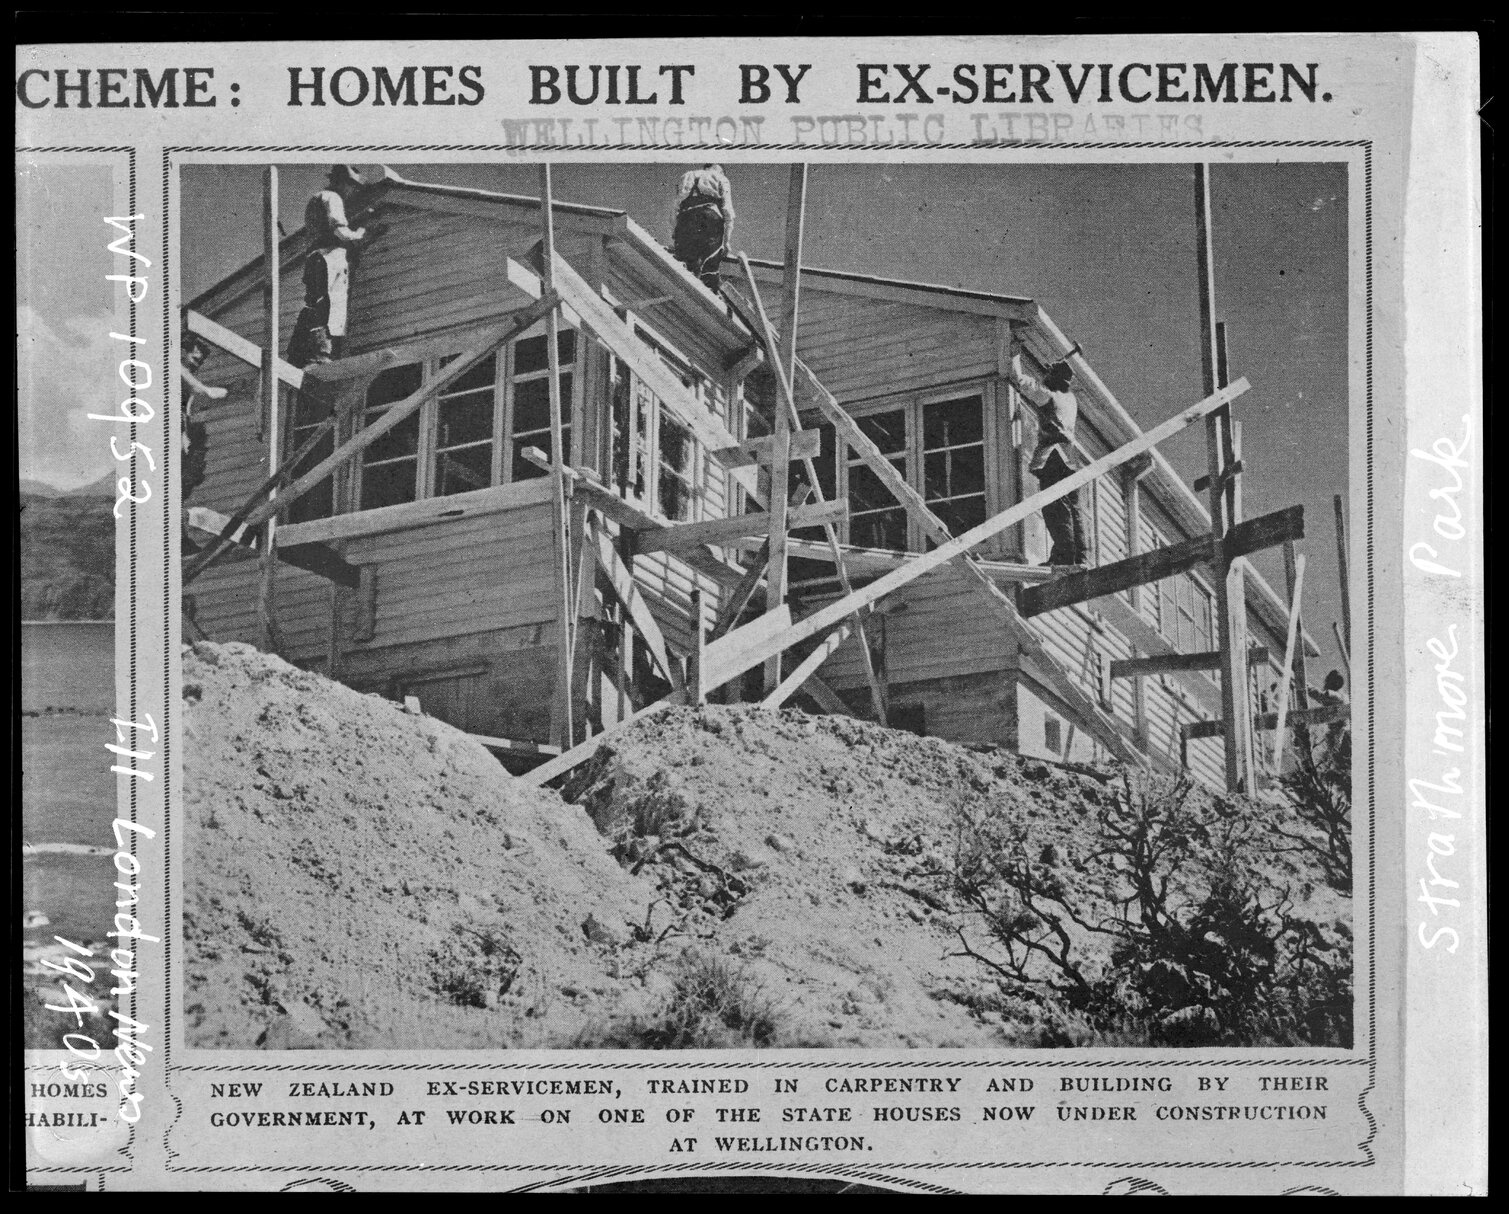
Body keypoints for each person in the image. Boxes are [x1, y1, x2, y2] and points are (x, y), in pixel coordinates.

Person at [287, 165, 387, 368]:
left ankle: (298, 351)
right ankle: (320, 354)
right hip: (328, 258)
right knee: (329, 306)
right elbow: (340, 232)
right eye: (353, 187)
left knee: (315, 304)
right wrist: (362, 233)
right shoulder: (332, 198)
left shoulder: (318, 198)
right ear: (344, 183)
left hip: (317, 258)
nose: (354, 192)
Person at [1010, 356, 1088, 566]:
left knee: (1055, 509)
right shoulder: (1070, 399)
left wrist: (1014, 354)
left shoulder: (1049, 397)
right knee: (1073, 509)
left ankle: (1064, 558)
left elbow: (1020, 380)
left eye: (1048, 375)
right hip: (1070, 459)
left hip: (1054, 457)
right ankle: (1078, 556)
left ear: (1054, 379)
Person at [671, 163, 735, 291]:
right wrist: (726, 243)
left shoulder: (687, 175)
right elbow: (728, 211)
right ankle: (710, 291)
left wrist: (676, 235)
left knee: (685, 262)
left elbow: (675, 209)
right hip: (709, 218)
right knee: (710, 261)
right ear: (720, 170)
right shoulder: (721, 178)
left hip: (686, 218)